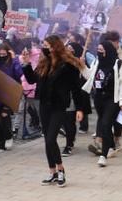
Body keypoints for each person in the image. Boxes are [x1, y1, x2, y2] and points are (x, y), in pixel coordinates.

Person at [20, 35, 86, 188]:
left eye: (47, 45)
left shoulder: (67, 65)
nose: (44, 48)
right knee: (47, 140)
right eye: (43, 45)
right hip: (44, 104)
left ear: (55, 46)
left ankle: (61, 169)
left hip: (59, 105)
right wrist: (26, 63)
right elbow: (31, 80)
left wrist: (80, 108)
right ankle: (52, 172)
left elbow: (76, 89)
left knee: (51, 138)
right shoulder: (44, 62)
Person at [82, 41, 122, 167]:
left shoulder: (118, 64)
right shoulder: (97, 62)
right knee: (104, 125)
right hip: (98, 98)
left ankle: (103, 155)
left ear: (108, 50)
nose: (99, 52)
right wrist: (81, 66)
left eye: (102, 50)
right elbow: (89, 76)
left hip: (112, 99)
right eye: (98, 50)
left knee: (106, 123)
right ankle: (111, 146)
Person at [0, 43, 22, 152]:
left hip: (9, 93)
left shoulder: (13, 62)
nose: (2, 55)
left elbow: (19, 74)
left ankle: (9, 136)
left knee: (5, 115)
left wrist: (15, 59)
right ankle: (1, 144)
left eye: (4, 53)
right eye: (0, 53)